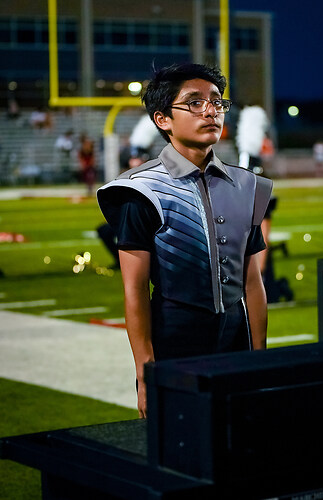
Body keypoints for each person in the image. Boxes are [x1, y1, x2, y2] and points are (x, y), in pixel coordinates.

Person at [97, 63, 272, 418]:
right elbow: (135, 290)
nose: (210, 111)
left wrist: (260, 358)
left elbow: (252, 282)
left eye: (217, 102)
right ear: (162, 119)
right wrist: (145, 374)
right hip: (174, 340)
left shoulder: (245, 185)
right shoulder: (140, 190)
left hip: (236, 338)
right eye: (194, 102)